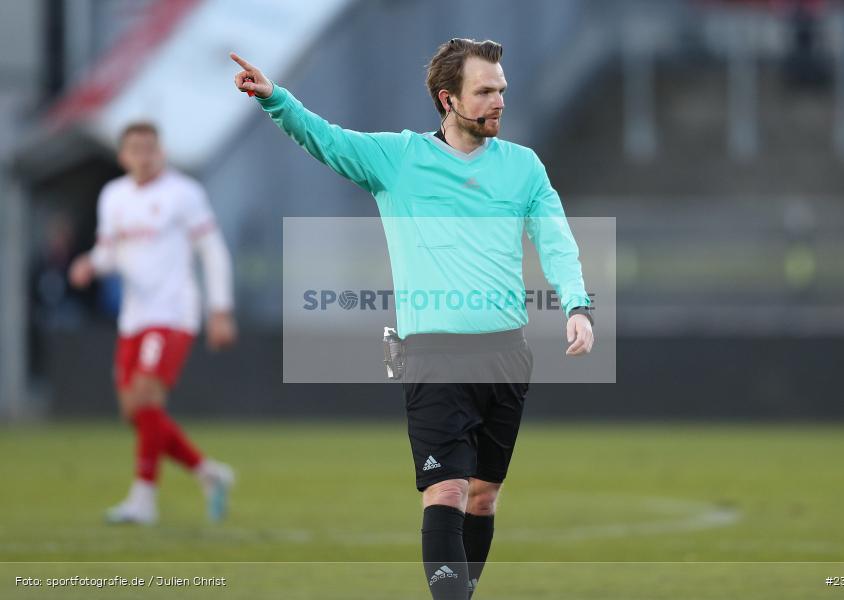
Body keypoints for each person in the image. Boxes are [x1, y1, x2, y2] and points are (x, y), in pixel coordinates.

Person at [231, 38, 593, 599]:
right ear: (448, 100)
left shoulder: (523, 167)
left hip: (507, 355)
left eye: (501, 90)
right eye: (485, 91)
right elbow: (327, 141)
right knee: (445, 491)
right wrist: (276, 99)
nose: (499, 100)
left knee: (482, 497)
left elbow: (557, 240)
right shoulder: (398, 159)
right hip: (433, 355)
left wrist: (576, 303)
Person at [68, 122, 238, 525]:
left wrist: (220, 309)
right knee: (135, 412)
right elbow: (109, 253)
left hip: (172, 312)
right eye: (135, 149)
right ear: (123, 156)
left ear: (161, 151)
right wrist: (89, 264)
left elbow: (212, 251)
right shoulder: (114, 196)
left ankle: (143, 500)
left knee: (145, 397)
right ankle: (208, 472)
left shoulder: (183, 193)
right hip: (134, 317)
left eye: (150, 147)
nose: (144, 155)